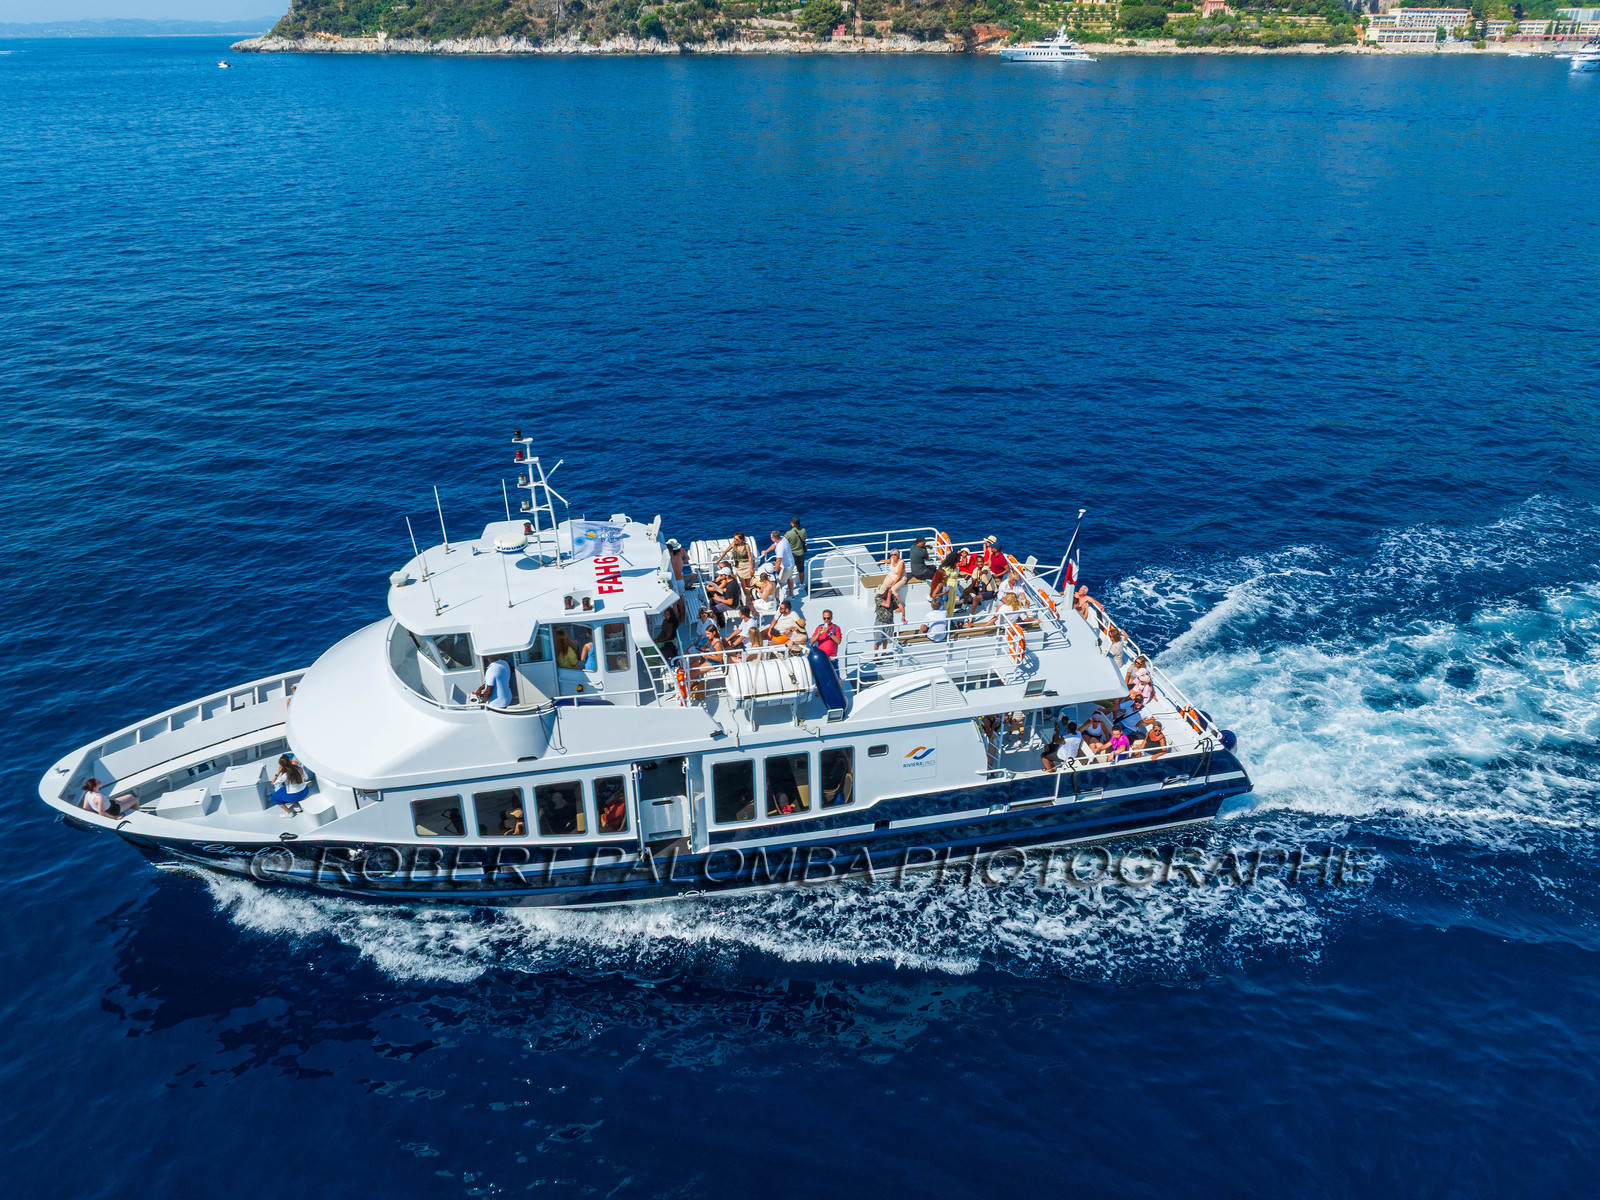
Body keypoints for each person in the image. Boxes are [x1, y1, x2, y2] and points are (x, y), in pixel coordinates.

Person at [768, 530, 798, 598]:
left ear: (774, 538)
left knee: (779, 582)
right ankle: (791, 595)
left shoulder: (780, 547)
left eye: (771, 537)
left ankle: (778, 598)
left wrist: (775, 571)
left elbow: (778, 560)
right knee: (789, 578)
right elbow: (774, 545)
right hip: (791, 563)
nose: (770, 538)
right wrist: (766, 551)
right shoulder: (782, 538)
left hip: (786, 567)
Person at [785, 518, 807, 585]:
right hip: (800, 554)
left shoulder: (789, 533)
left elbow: (784, 541)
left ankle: (789, 586)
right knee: (801, 571)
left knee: (789, 571)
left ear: (793, 524)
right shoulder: (803, 531)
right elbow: (804, 538)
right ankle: (802, 584)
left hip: (792, 555)